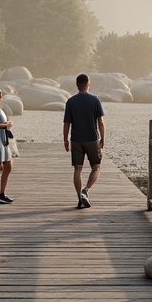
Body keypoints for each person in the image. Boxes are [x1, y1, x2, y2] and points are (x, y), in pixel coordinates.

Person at [63, 73, 105, 209]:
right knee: (96, 167)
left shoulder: (71, 101)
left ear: (77, 85)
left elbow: (66, 123)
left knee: (77, 169)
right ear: (88, 84)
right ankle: (85, 190)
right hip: (92, 138)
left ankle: (79, 199)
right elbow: (101, 122)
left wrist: (65, 140)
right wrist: (103, 138)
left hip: (76, 139)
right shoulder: (95, 100)